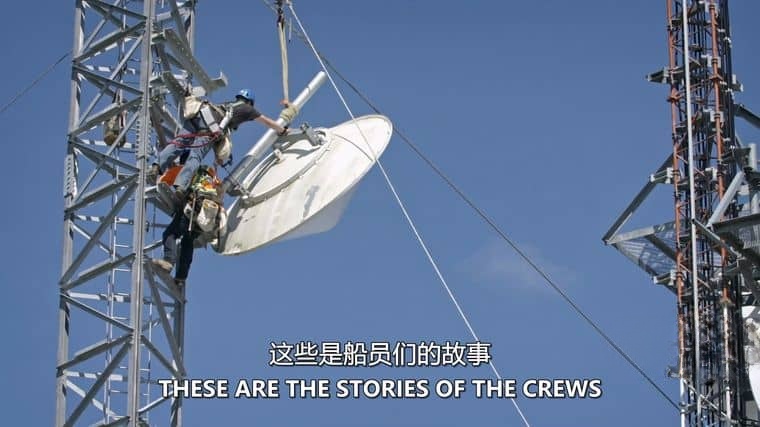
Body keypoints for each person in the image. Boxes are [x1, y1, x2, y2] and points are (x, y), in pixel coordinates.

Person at [151, 88, 296, 198]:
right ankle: (180, 186)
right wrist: (282, 130)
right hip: (210, 126)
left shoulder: (228, 104)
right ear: (250, 102)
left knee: (178, 143)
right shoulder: (248, 109)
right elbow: (267, 122)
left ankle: (156, 166)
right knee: (195, 156)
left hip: (198, 116)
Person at [152, 165, 227, 286]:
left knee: (170, 234)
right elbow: (219, 194)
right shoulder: (213, 179)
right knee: (188, 242)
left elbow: (164, 181)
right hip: (206, 218)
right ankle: (181, 277)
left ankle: (168, 262)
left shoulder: (187, 169)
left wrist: (156, 179)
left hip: (192, 209)